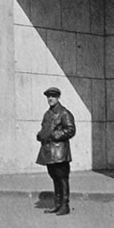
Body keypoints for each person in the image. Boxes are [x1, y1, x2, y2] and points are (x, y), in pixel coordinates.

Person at [35, 86, 76, 216]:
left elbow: (71, 129)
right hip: (48, 151)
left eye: (53, 96)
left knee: (62, 178)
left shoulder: (64, 113)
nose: (50, 99)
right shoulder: (47, 114)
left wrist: (56, 135)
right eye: (48, 97)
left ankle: (65, 205)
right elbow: (44, 128)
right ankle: (57, 204)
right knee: (54, 177)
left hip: (60, 152)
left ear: (58, 98)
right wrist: (40, 135)